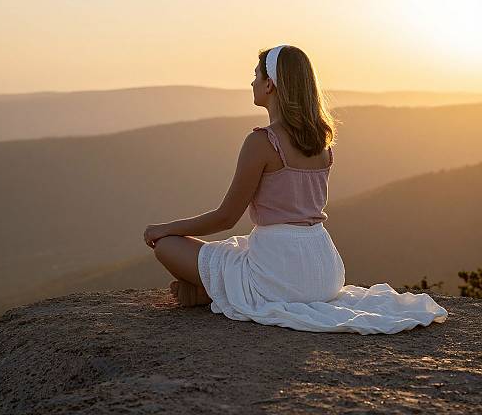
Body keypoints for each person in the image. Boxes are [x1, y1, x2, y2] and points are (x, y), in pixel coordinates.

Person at [143, 45, 448, 334]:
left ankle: (213, 293)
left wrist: (164, 229)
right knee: (237, 249)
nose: (252, 82)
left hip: (278, 271)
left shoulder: (262, 143)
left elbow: (226, 218)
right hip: (324, 271)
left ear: (270, 85)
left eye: (256, 75)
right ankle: (208, 294)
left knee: (168, 246)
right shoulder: (322, 143)